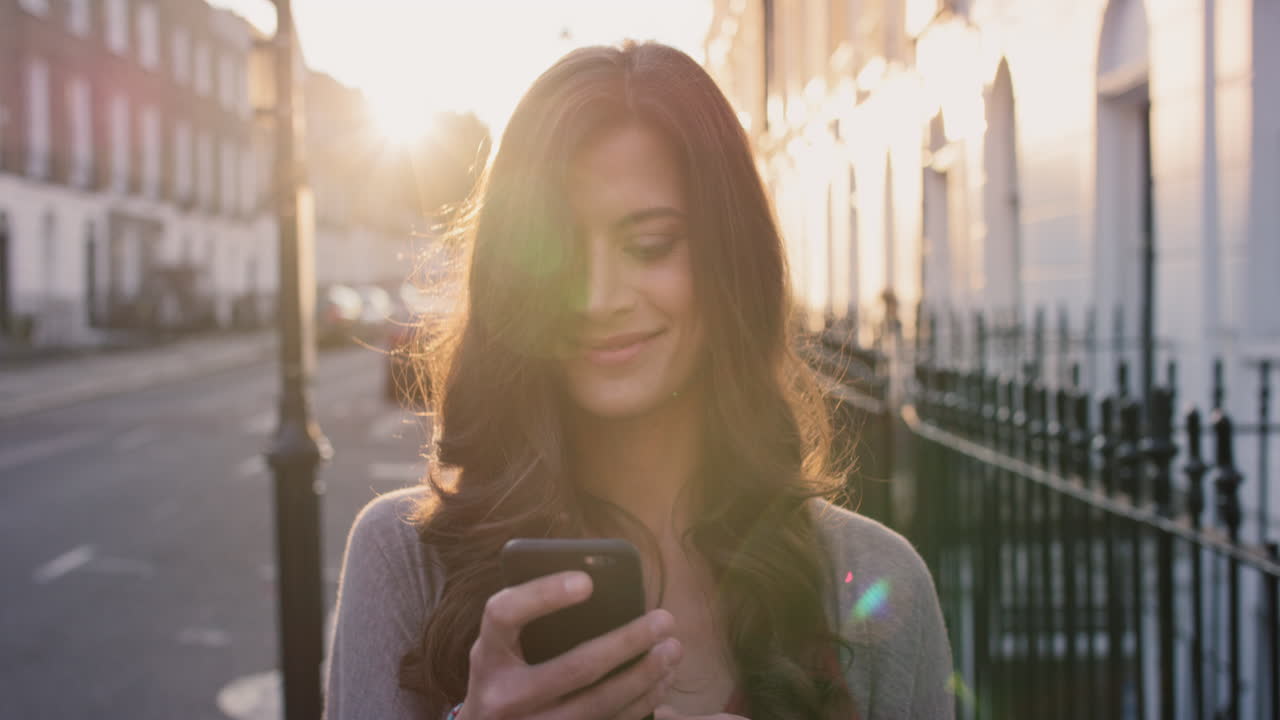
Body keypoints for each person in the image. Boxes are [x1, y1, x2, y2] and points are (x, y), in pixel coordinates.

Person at [325, 41, 953, 720]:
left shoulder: (876, 578)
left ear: (732, 259)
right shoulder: (404, 563)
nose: (598, 298)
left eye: (650, 246)